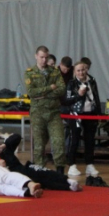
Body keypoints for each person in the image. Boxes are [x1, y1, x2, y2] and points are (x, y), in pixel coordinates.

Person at [24, 45, 67, 174]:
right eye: (41, 57)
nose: (44, 60)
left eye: (46, 57)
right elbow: (31, 92)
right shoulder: (29, 72)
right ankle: (39, 171)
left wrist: (43, 94)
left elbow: (61, 89)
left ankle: (60, 171)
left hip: (53, 113)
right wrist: (50, 88)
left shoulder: (54, 71)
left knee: (59, 141)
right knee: (39, 144)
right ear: (36, 56)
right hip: (38, 113)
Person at [0, 135, 80, 191]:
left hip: (26, 169)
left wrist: (4, 146)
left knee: (43, 171)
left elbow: (17, 137)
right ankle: (69, 187)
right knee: (45, 183)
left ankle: (68, 180)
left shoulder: (3, 151)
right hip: (17, 179)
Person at [62, 61, 102, 178]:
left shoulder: (92, 81)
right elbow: (67, 100)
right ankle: (71, 164)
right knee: (74, 139)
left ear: (87, 70)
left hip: (90, 114)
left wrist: (98, 113)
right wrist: (79, 94)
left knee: (90, 140)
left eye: (83, 70)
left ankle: (90, 164)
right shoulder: (71, 83)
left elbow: (96, 97)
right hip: (76, 114)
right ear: (75, 71)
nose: (81, 72)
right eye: (78, 70)